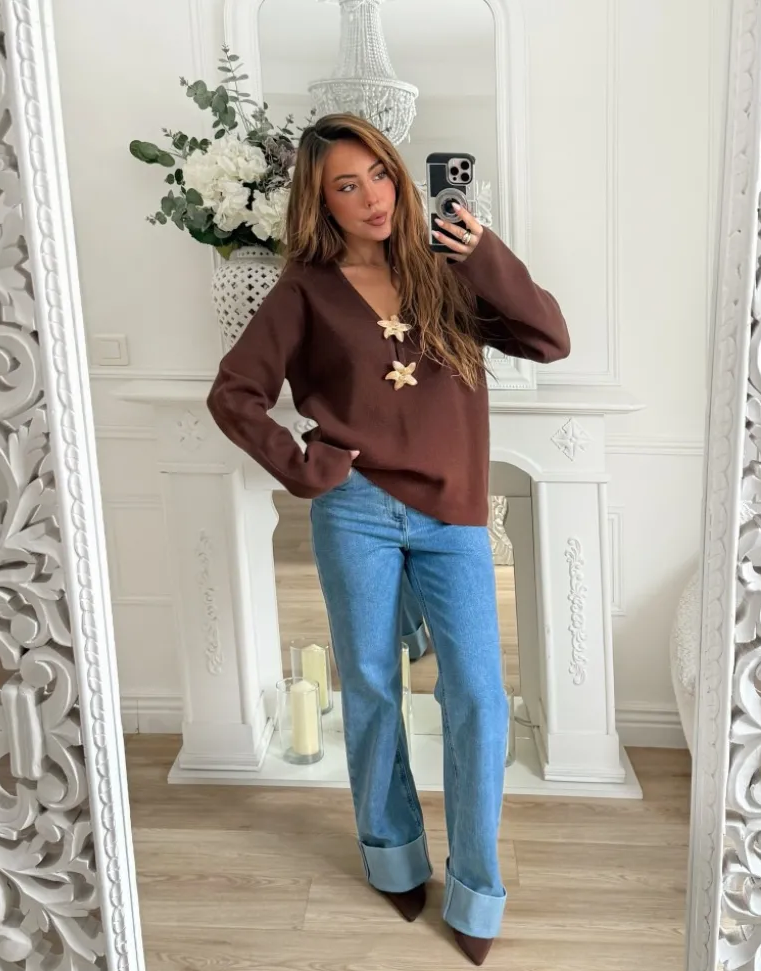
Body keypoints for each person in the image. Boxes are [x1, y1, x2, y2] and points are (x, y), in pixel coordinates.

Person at [206, 113, 570, 965]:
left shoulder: (446, 267)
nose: (371, 196)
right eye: (346, 184)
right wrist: (303, 467)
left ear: (401, 178)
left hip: (453, 513)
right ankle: (391, 852)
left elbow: (550, 338)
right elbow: (234, 392)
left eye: (379, 174)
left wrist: (482, 250)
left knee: (478, 697)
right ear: (321, 202)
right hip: (356, 510)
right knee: (371, 686)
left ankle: (477, 884)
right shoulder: (304, 289)